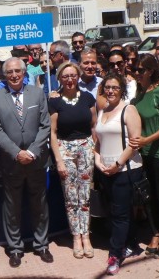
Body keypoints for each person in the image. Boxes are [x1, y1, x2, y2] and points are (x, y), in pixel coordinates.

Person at [0, 57, 53, 268]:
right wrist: (17, 153)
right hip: (11, 162)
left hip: (36, 161)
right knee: (12, 207)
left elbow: (45, 125)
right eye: (10, 72)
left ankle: (41, 245)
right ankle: (15, 249)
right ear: (4, 75)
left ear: (25, 73)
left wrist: (32, 152)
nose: (14, 75)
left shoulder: (36, 93)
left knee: (39, 204)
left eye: (18, 71)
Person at [93, 73, 143, 275]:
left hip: (124, 170)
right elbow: (98, 142)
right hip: (105, 170)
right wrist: (98, 161)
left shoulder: (128, 110)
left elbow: (135, 142)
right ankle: (131, 244)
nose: (110, 91)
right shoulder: (103, 110)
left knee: (120, 215)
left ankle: (115, 254)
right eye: (107, 87)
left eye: (115, 87)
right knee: (115, 212)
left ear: (122, 89)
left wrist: (117, 164)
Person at [49, 62, 96, 259]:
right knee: (71, 197)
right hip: (64, 148)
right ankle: (76, 236)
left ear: (78, 77)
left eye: (73, 76)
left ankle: (86, 236)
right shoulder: (55, 101)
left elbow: (94, 127)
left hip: (85, 148)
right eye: (65, 76)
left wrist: (96, 151)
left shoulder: (87, 98)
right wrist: (58, 160)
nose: (69, 80)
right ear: (59, 78)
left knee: (84, 196)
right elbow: (52, 132)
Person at [130, 55, 159, 259]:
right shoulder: (138, 95)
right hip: (144, 154)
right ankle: (155, 232)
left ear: (150, 70)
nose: (137, 73)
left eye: (141, 70)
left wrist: (147, 140)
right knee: (148, 197)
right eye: (135, 70)